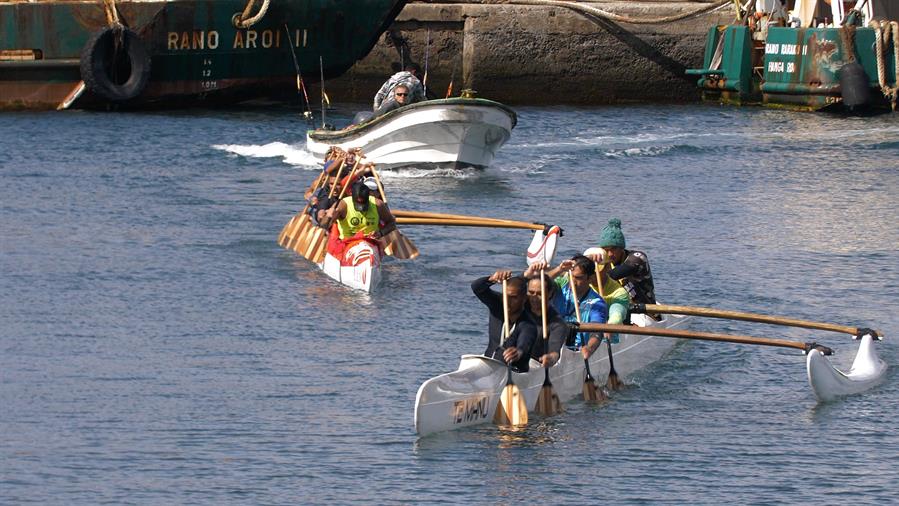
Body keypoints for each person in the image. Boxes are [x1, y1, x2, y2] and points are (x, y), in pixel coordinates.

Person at [528, 255, 608, 360]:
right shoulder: (559, 287)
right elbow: (540, 283)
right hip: (550, 342)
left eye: (579, 278)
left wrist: (589, 348)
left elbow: (597, 332)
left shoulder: (597, 303)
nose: (573, 282)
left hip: (574, 350)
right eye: (571, 276)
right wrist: (560, 269)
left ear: (591, 278)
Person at [471, 271, 538, 373]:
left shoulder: (528, 324)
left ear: (524, 299)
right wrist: (492, 279)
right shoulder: (497, 306)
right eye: (505, 296)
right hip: (490, 367)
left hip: (515, 373)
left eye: (513, 297)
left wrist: (518, 353)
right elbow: (477, 287)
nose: (508, 301)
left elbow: (524, 344)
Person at [588, 218, 656, 305]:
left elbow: (614, 274)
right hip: (616, 306)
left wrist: (591, 274)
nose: (610, 254)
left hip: (643, 312)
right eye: (606, 250)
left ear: (621, 248)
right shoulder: (602, 262)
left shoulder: (638, 258)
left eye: (614, 249)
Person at [322, 179, 396, 242]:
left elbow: (392, 223)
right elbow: (323, 226)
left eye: (363, 205)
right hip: (347, 242)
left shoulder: (378, 204)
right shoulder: (343, 205)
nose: (361, 210)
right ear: (352, 197)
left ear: (368, 197)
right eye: (358, 205)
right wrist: (328, 216)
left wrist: (380, 233)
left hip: (370, 241)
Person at [524, 271, 569, 368]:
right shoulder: (516, 308)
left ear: (550, 294)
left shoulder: (558, 323)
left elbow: (555, 351)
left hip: (535, 366)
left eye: (540, 294)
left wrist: (551, 358)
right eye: (531, 292)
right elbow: (482, 291)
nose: (534, 297)